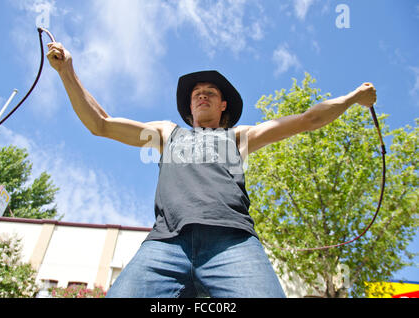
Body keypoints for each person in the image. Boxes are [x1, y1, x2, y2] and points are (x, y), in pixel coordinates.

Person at [47, 42, 377, 298]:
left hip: (233, 244)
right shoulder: (166, 133)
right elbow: (101, 124)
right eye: (196, 94)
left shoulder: (239, 137)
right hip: (165, 244)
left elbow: (307, 120)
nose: (202, 95)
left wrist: (352, 98)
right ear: (189, 108)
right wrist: (67, 72)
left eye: (211, 93)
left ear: (223, 106)